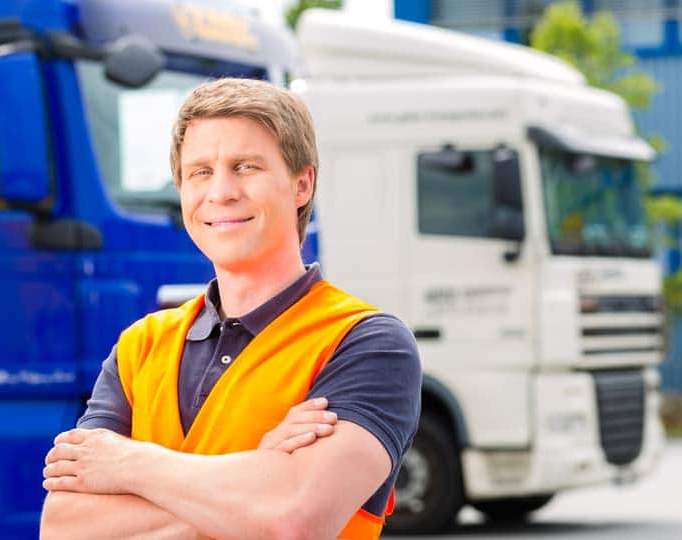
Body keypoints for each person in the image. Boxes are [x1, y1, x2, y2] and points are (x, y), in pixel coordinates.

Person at [40, 78, 422, 539]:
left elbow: (293, 521)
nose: (221, 192)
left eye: (245, 167)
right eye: (200, 171)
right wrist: (258, 475)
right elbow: (64, 527)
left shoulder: (365, 343)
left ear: (302, 184)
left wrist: (128, 464)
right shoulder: (140, 348)